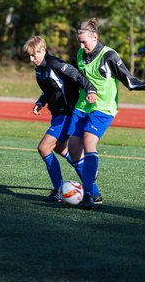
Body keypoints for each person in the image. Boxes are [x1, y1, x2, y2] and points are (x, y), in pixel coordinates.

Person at [68, 18, 145, 209]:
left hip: (103, 108)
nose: (81, 46)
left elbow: (129, 81)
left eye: (84, 42)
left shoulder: (109, 56)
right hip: (82, 107)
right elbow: (73, 77)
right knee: (73, 150)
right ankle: (93, 185)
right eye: (79, 42)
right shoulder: (79, 54)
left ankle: (88, 194)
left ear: (95, 37)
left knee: (89, 141)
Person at [23, 35, 99, 202]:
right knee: (60, 149)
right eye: (29, 55)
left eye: (34, 54)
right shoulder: (40, 68)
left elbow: (77, 77)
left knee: (44, 148)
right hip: (57, 114)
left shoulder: (55, 64)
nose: (31, 59)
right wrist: (41, 101)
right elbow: (51, 88)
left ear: (43, 50)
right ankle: (90, 176)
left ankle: (59, 190)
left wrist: (91, 90)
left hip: (67, 113)